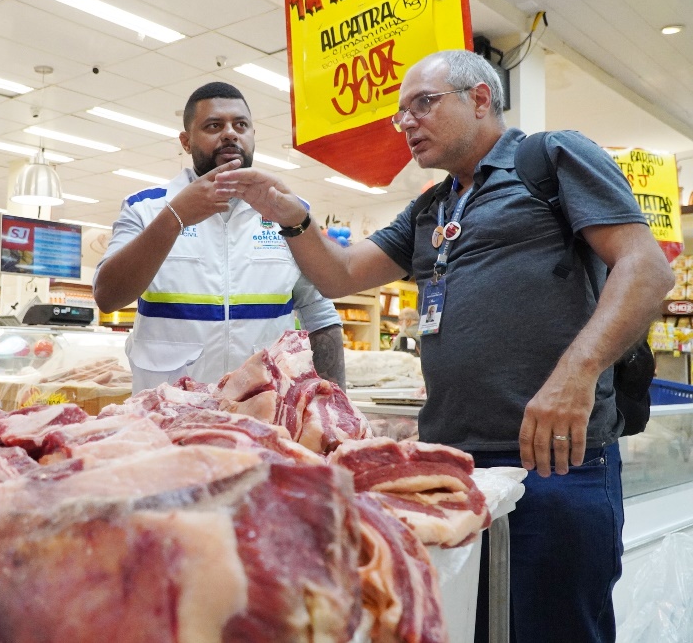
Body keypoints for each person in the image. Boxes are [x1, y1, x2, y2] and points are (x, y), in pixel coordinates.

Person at [214, 50, 673, 643]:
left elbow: (645, 269)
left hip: (556, 462)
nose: (407, 122)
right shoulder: (431, 208)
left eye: (422, 104)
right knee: (468, 625)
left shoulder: (550, 158)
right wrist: (291, 214)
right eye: (400, 113)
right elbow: (342, 274)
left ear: (480, 98)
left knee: (556, 627)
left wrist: (574, 376)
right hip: (455, 471)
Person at [92, 82, 345, 393]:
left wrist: (336, 406)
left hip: (265, 417)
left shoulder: (289, 211)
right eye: (214, 125)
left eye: (241, 125)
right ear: (186, 141)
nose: (230, 133)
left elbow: (319, 313)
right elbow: (108, 295)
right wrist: (175, 217)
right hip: (167, 419)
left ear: (253, 135)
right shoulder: (145, 208)